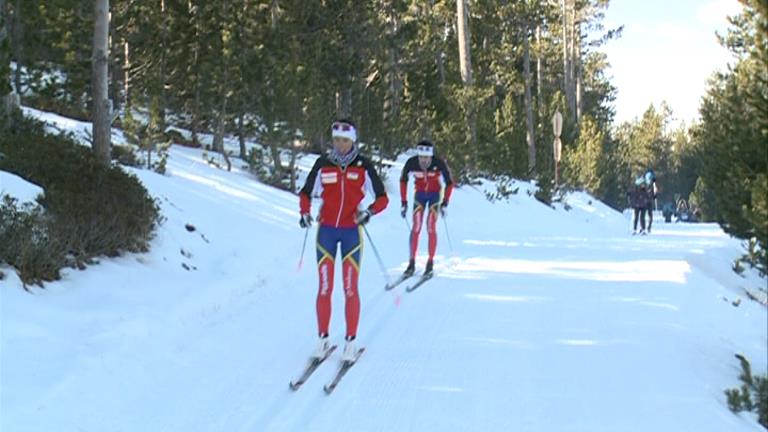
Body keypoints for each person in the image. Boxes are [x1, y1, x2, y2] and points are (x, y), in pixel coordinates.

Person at [298, 118, 389, 361]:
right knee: (325, 287)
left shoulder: (363, 165)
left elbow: (382, 198)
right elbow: (306, 192)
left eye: (345, 140)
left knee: (350, 288)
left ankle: (350, 342)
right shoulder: (323, 163)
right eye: (337, 140)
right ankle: (323, 339)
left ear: (353, 141)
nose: (340, 145)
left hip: (351, 233)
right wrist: (304, 212)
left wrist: (368, 212)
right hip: (326, 231)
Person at [399, 140, 454, 276]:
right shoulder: (412, 163)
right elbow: (403, 180)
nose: (423, 161)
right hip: (420, 196)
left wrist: (445, 203)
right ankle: (411, 262)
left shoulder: (438, 163)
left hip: (435, 196)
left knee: (430, 226)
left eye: (426, 158)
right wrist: (404, 202)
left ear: (431, 156)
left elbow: (450, 183)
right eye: (421, 157)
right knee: (416, 226)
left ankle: (430, 262)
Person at [643, 168, 658, 233]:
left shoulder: (644, 179)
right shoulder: (653, 179)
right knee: (650, 215)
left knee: (642, 215)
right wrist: (655, 196)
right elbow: (655, 189)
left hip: (643, 200)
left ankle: (643, 227)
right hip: (650, 200)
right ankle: (649, 227)